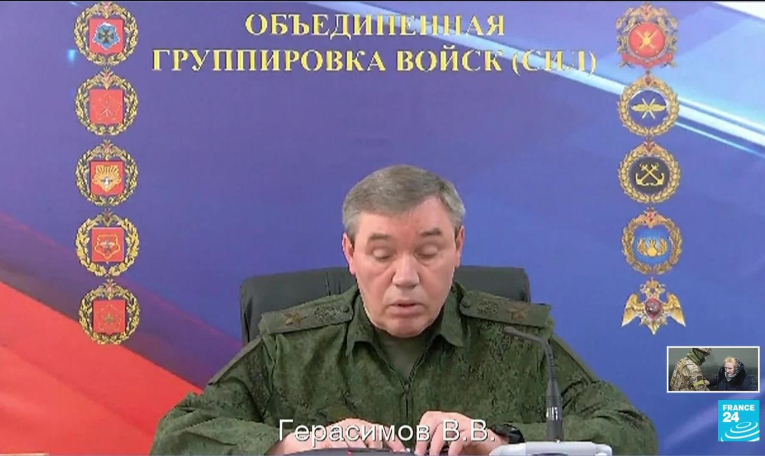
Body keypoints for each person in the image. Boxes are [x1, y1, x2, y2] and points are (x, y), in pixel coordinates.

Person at [149, 164, 658, 455]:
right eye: (382, 254)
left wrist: (502, 441)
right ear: (350, 254)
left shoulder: (519, 342)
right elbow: (176, 437)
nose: (406, 276)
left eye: (428, 251)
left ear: (458, 247)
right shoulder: (292, 348)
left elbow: (631, 433)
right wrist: (303, 444)